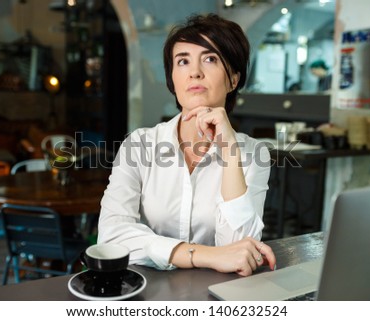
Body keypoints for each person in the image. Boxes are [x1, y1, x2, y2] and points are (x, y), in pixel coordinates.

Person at [97, 13, 276, 276]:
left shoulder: (253, 154)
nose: (194, 72)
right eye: (183, 61)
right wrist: (202, 255)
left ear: (234, 79)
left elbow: (240, 251)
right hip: (146, 290)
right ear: (172, 78)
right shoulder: (139, 145)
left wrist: (228, 151)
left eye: (210, 59)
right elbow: (110, 236)